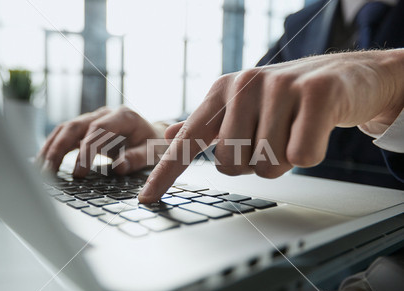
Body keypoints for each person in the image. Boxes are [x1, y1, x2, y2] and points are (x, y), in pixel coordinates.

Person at [36, 0, 404, 202]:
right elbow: (243, 101)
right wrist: (161, 133)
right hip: (305, 226)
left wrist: (394, 79)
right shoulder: (304, 20)